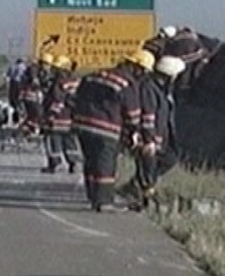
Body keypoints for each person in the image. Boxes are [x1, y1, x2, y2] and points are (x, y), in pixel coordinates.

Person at [71, 48, 155, 213]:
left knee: (91, 161)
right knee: (105, 164)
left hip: (82, 125)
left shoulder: (95, 74)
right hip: (107, 128)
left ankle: (92, 196)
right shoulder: (127, 82)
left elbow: (77, 96)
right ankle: (104, 201)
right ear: (136, 67)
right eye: (143, 72)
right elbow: (132, 112)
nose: (142, 76)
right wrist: (134, 130)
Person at [132, 55, 186, 211]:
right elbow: (148, 114)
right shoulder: (149, 88)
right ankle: (143, 196)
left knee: (170, 158)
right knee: (147, 166)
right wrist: (149, 139)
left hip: (162, 136)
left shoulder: (163, 90)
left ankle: (143, 186)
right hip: (149, 137)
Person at [40, 55, 82, 174]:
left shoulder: (58, 82)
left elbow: (57, 99)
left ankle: (55, 163)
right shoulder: (75, 81)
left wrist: (51, 115)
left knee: (53, 141)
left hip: (57, 118)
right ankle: (74, 163)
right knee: (70, 141)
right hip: (70, 118)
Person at [18, 52, 54, 136]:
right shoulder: (34, 69)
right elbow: (35, 81)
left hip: (32, 95)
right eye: (47, 65)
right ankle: (24, 131)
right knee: (38, 113)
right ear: (43, 63)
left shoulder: (42, 72)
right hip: (30, 95)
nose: (48, 67)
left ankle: (25, 131)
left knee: (33, 116)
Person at [5, 58, 28, 122]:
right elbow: (24, 76)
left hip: (12, 83)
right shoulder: (23, 67)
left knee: (12, 100)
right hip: (19, 84)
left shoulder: (12, 66)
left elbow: (8, 76)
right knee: (18, 100)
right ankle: (19, 115)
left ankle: (13, 116)